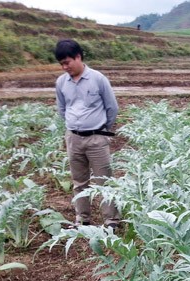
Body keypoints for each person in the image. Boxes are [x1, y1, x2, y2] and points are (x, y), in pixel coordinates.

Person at [54, 39, 121, 230]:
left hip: (96, 138)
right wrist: (72, 127)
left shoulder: (98, 79)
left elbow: (112, 108)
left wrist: (102, 132)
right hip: (73, 138)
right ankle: (82, 219)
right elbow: (62, 108)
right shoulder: (61, 82)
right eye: (61, 64)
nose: (65, 67)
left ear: (78, 57)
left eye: (67, 62)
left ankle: (111, 221)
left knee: (104, 181)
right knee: (79, 181)